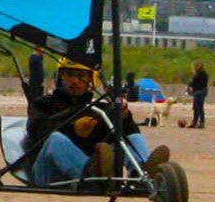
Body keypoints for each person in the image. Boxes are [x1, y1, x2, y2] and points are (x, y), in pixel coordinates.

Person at [23, 61, 167, 189]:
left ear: (91, 79)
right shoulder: (42, 104)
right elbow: (37, 133)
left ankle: (142, 174)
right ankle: (93, 176)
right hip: (47, 172)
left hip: (89, 164)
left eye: (81, 76)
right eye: (70, 75)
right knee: (55, 139)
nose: (74, 80)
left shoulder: (98, 109)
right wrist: (73, 129)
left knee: (132, 136)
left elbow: (121, 135)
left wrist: (124, 118)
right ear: (61, 76)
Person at [187, 61, 209, 129]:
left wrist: (192, 87)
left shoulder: (202, 74)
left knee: (199, 108)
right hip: (198, 91)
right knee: (196, 108)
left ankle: (201, 123)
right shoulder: (197, 74)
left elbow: (202, 84)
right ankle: (195, 122)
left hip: (199, 92)